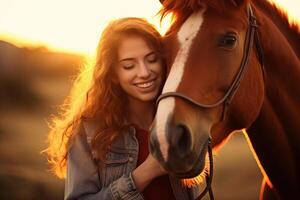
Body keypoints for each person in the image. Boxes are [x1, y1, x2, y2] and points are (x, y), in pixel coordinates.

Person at [46, 17, 200, 200]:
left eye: (152, 59)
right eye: (129, 65)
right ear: (113, 74)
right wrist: (145, 172)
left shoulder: (180, 120)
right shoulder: (88, 129)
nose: (144, 72)